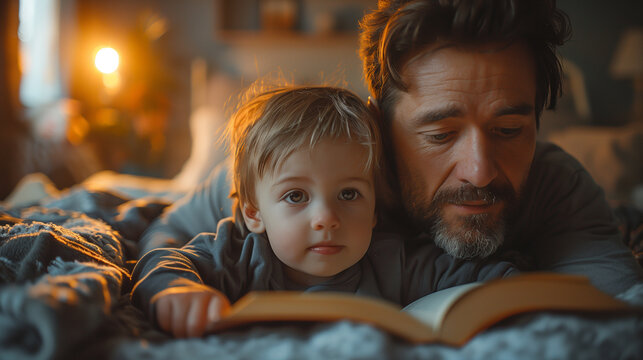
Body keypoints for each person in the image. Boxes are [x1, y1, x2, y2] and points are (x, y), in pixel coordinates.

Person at [138, 0, 642, 295]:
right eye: (440, 134)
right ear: (377, 118)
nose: (480, 171)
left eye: (509, 130)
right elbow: (166, 234)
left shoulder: (556, 186)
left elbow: (617, 310)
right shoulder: (299, 166)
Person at [130, 86, 517, 338]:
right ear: (254, 213)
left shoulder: (392, 259)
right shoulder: (240, 253)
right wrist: (177, 290)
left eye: (349, 194)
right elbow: (161, 261)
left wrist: (518, 290)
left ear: (375, 212)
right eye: (296, 196)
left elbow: (492, 279)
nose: (326, 217)